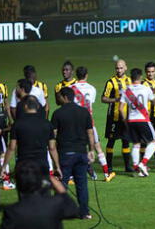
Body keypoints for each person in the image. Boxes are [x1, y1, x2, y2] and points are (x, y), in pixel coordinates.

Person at [51, 87, 95, 219]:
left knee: (61, 184)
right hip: (82, 153)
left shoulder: (58, 113)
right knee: (82, 185)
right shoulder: (84, 111)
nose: (57, 99)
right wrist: (91, 150)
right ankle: (84, 212)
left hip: (65, 153)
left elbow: (53, 134)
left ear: (65, 97)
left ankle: (58, 212)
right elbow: (90, 133)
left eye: (59, 96)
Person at [0, 160, 80, 229]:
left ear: (18, 184)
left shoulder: (12, 211)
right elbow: (73, 210)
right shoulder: (55, 204)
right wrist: (54, 182)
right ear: (41, 182)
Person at [70, 66, 113, 182]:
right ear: (86, 75)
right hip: (89, 122)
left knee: (75, 148)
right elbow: (90, 104)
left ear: (76, 75)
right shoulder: (92, 89)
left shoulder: (70, 88)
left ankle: (72, 176)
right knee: (97, 147)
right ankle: (106, 174)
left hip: (75, 123)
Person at [1, 96, 61, 178]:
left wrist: (4, 167)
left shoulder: (17, 124)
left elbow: (11, 147)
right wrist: (57, 167)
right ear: (38, 107)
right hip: (42, 165)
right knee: (42, 190)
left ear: (25, 107)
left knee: (25, 190)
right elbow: (52, 148)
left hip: (23, 166)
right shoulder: (47, 124)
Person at [120, 68, 155, 176]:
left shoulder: (126, 90)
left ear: (131, 77)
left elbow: (121, 108)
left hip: (131, 120)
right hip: (143, 119)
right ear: (141, 77)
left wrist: (125, 121)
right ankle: (143, 163)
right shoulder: (145, 88)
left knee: (136, 144)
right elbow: (153, 101)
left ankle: (136, 169)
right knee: (154, 141)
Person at [101, 59, 133, 174]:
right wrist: (115, 99)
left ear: (125, 68)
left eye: (121, 68)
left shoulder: (130, 81)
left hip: (126, 116)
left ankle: (127, 166)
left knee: (126, 141)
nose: (119, 70)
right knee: (111, 141)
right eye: (117, 68)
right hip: (113, 117)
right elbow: (103, 98)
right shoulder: (111, 82)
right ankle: (109, 166)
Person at [142, 62, 155, 168]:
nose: (150, 74)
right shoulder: (143, 84)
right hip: (146, 115)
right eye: (148, 72)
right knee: (145, 140)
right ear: (146, 72)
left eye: (152, 72)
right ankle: (143, 163)